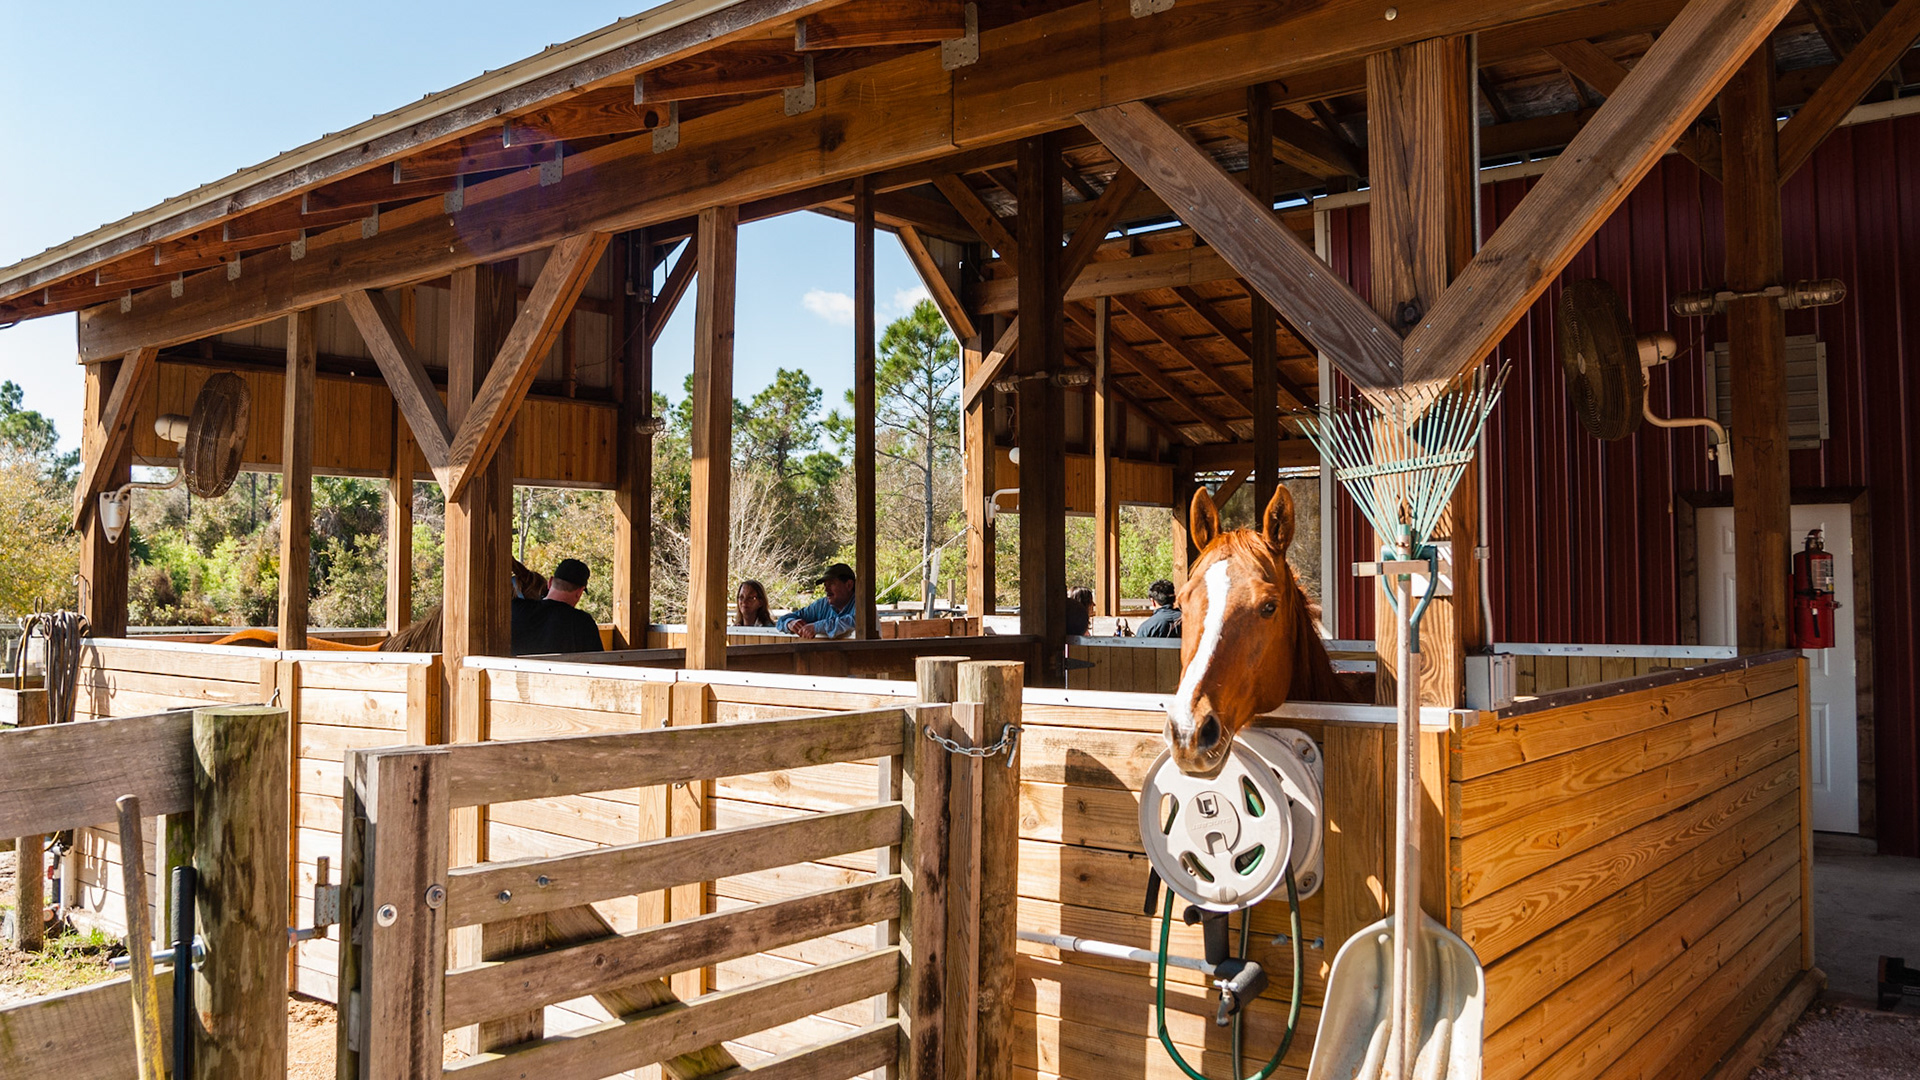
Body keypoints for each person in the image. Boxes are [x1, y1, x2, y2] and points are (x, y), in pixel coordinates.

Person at [511, 558, 605, 655]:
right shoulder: (584, 622)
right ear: (580, 592)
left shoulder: (515, 610)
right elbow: (599, 663)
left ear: (550, 582)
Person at [777, 563, 858, 640]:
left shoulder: (862, 604)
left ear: (849, 585)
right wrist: (790, 623)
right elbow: (782, 620)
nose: (826, 589)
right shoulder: (821, 605)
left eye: (831, 584)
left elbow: (853, 622)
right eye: (825, 585)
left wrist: (817, 627)